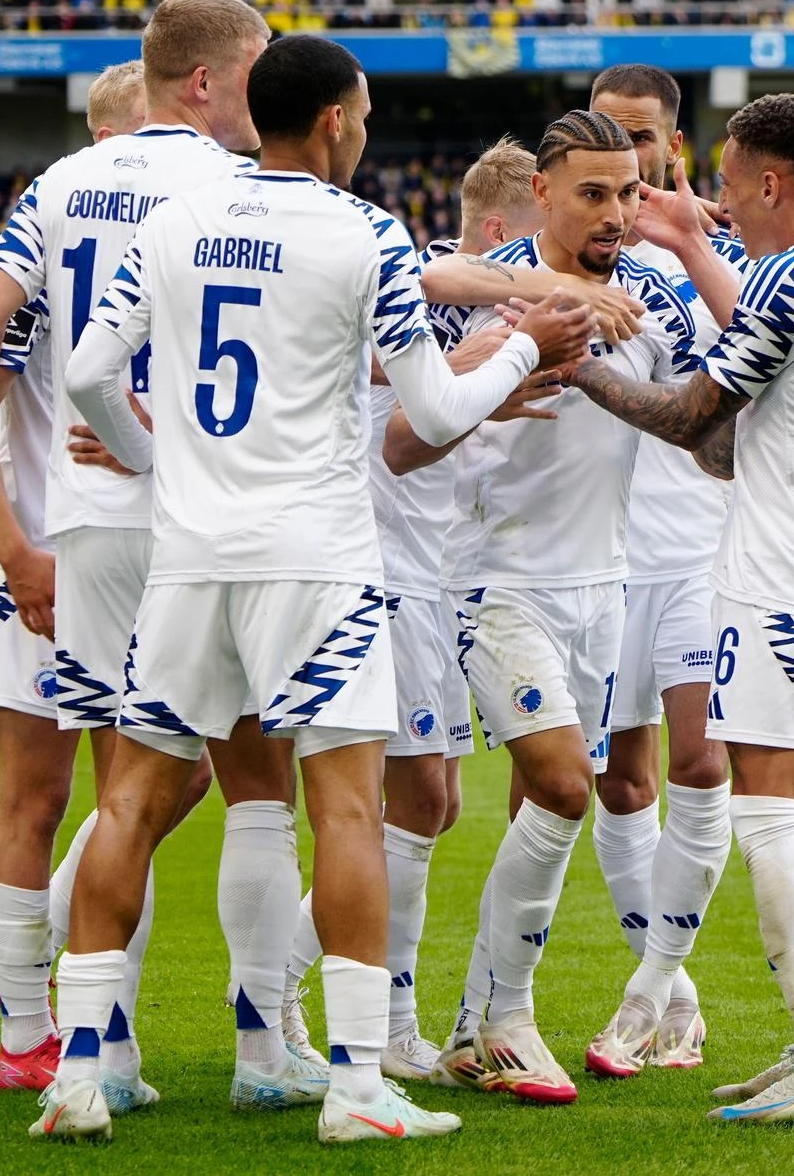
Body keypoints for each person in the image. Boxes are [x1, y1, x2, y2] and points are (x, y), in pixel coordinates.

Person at [58, 33, 592, 1144]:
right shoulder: (362, 234)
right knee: (345, 809)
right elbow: (438, 414)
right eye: (364, 115)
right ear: (339, 122)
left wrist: (159, 465)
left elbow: (87, 374)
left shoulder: (175, 220)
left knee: (126, 803)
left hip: (193, 555)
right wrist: (523, 346)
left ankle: (77, 1068)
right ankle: (353, 1081)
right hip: (316, 559)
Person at [559, 92, 794, 1124]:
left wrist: (577, 365)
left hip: (781, 574)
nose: (716, 202)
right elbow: (733, 439)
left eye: (724, 182)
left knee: (767, 814)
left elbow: (687, 417)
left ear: (769, 181)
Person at [0, 17, 266, 1111]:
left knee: (143, 780)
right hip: (69, 538)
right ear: (203, 91)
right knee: (99, 782)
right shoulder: (218, 187)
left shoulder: (62, 195)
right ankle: (53, 1030)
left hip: (72, 533)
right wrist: (11, 546)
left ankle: (48, 994)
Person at [389, 109, 697, 1104]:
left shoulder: (651, 298)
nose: (615, 211)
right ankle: (508, 1017)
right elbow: (401, 442)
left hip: (600, 587)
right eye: (594, 193)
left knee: (545, 802)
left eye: (630, 192)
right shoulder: (481, 288)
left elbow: (707, 423)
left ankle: (477, 1028)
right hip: (491, 582)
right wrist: (509, 368)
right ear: (544, 193)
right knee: (565, 787)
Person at [279, 138, 566, 1081]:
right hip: (384, 562)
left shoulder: (430, 291)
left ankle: (357, 1014)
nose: (529, 283)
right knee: (393, 804)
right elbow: (411, 433)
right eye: (519, 259)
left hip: (426, 570)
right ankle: (290, 998)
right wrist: (485, 378)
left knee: (428, 803)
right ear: (494, 236)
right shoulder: (419, 290)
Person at [581, 63, 739, 1077]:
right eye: (609, 137)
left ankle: (649, 989)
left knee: (702, 762)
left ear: (674, 146)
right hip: (595, 555)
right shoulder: (571, 257)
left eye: (641, 137)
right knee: (619, 780)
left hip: (698, 549)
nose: (628, 157)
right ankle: (671, 997)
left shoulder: (724, 254)